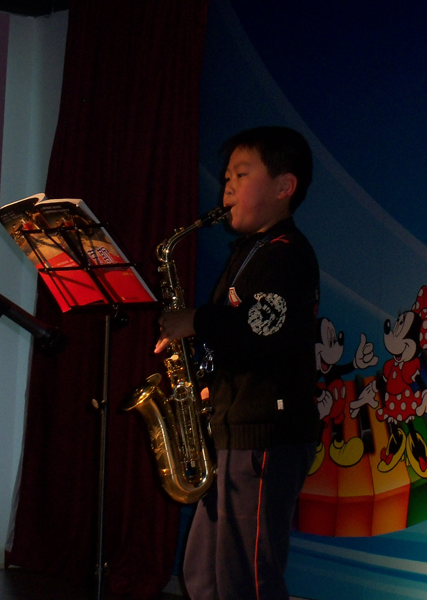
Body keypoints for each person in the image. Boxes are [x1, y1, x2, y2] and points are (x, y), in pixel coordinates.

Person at [154, 126, 321, 600]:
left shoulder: (287, 254)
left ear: (284, 186)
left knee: (247, 577)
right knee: (205, 573)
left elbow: (260, 326)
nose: (226, 188)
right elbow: (237, 340)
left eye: (241, 175)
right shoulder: (249, 252)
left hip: (266, 431)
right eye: (226, 176)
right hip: (233, 426)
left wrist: (194, 321)